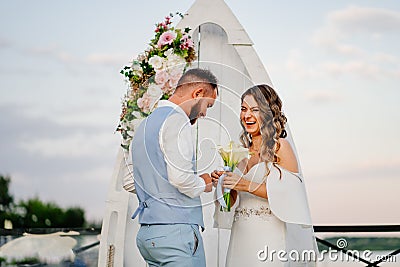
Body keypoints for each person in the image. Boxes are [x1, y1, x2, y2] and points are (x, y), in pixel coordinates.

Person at [212, 84, 318, 266]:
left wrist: (244, 184)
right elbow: (229, 203)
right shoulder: (240, 152)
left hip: (269, 235)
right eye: (244, 109)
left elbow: (291, 195)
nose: (247, 115)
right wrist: (224, 184)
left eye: (255, 110)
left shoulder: (280, 147)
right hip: (241, 234)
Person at [131, 68, 218, 267]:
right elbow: (181, 179)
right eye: (208, 105)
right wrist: (203, 184)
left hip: (148, 236)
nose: (204, 113)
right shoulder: (177, 121)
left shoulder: (144, 125)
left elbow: (129, 181)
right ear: (198, 93)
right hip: (176, 234)